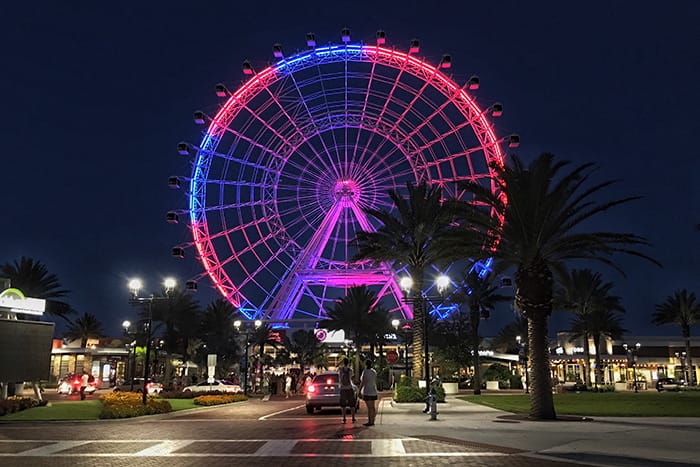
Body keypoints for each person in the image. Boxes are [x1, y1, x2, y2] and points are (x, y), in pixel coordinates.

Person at [359, 359, 378, 426]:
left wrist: (359, 390)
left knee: (369, 407)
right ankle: (372, 420)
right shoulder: (374, 371)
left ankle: (370, 421)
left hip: (367, 391)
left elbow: (363, 382)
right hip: (373, 390)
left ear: (366, 364)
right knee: (372, 407)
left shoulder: (365, 372)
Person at [338, 357, 356, 423]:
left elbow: (339, 378)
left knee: (343, 405)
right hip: (349, 388)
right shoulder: (350, 370)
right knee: (352, 404)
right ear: (348, 363)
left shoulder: (340, 370)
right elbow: (352, 378)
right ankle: (353, 418)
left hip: (343, 388)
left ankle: (344, 418)